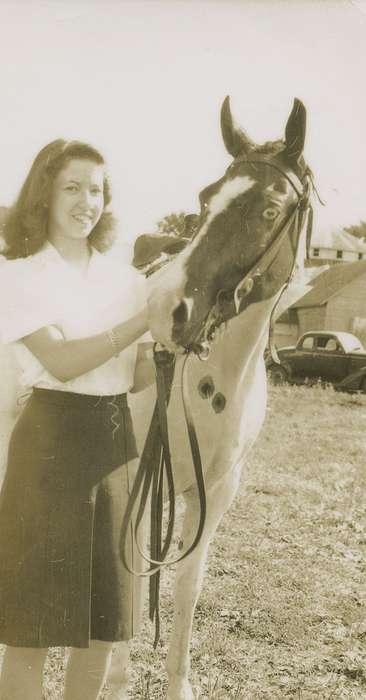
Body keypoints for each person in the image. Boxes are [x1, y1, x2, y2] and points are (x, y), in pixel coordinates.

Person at [0, 139, 155, 699]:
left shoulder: (128, 280)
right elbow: (62, 364)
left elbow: (136, 376)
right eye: (72, 186)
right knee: (31, 629)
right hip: (48, 445)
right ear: (44, 193)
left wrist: (175, 343)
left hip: (113, 449)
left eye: (96, 188)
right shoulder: (18, 273)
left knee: (101, 630)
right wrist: (143, 323)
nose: (86, 200)